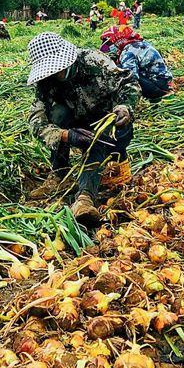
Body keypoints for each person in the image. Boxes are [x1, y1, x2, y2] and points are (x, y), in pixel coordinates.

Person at [27, 32, 140, 225]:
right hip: (78, 123)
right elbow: (36, 118)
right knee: (57, 115)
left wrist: (124, 108)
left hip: (110, 124)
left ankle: (85, 197)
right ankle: (60, 173)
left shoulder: (94, 62)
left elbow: (129, 83)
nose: (55, 74)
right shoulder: (46, 80)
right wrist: (64, 135)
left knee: (100, 139)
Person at [100, 26, 173, 101]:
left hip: (158, 87)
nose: (109, 47)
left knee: (122, 74)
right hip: (165, 80)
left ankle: (157, 95)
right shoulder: (138, 43)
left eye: (109, 44)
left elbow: (131, 77)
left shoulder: (128, 52)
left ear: (117, 40)